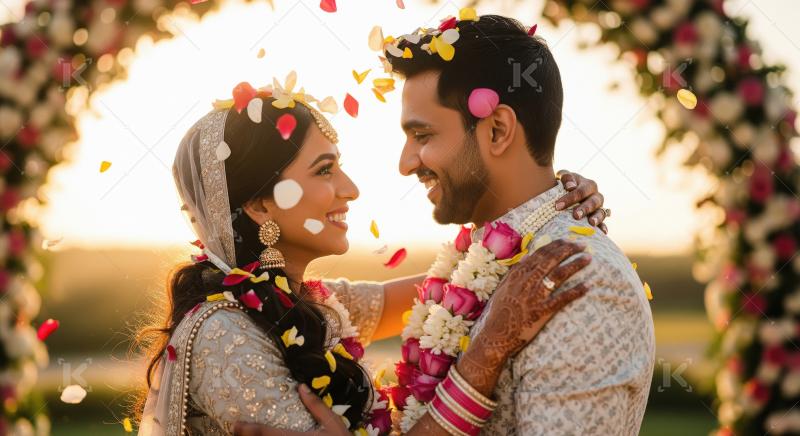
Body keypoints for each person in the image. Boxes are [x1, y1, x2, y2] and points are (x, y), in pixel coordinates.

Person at [233, 12, 654, 436]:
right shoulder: (488, 261)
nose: (405, 163)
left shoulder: (576, 279)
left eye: (423, 135)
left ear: (497, 130)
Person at [133, 76, 608, 435]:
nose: (351, 190)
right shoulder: (226, 334)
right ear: (259, 205)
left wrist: (549, 201)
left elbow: (456, 285)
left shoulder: (306, 305)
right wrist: (489, 350)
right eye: (324, 170)